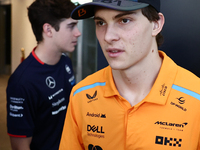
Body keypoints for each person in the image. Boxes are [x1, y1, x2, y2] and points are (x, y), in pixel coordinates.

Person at [59, 0, 200, 149]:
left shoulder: (196, 99)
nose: (108, 36)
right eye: (100, 23)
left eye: (124, 20)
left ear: (156, 24)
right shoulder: (82, 95)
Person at [6, 0, 81, 149]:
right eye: (71, 26)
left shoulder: (65, 61)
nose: (78, 33)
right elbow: (20, 147)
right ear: (48, 30)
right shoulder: (22, 82)